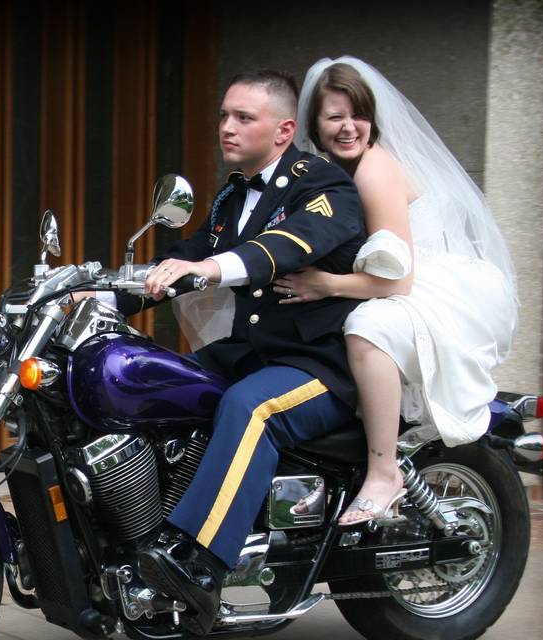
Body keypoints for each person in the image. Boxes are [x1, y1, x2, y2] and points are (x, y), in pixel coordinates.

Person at [108, 70, 366, 635]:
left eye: (243, 117)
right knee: (154, 385)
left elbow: (283, 247)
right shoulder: (233, 191)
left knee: (252, 408)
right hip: (250, 353)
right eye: (224, 115)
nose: (227, 126)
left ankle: (198, 565)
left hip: (318, 364)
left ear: (284, 130)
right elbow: (186, 257)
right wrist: (98, 294)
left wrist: (207, 269)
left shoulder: (323, 186)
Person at [273, 57, 518, 526]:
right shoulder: (321, 170)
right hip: (381, 277)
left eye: (357, 115)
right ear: (314, 124)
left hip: (420, 284)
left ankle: (384, 472)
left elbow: (398, 279)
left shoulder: (373, 170)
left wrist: (325, 285)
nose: (348, 127)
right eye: (334, 117)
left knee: (367, 327)